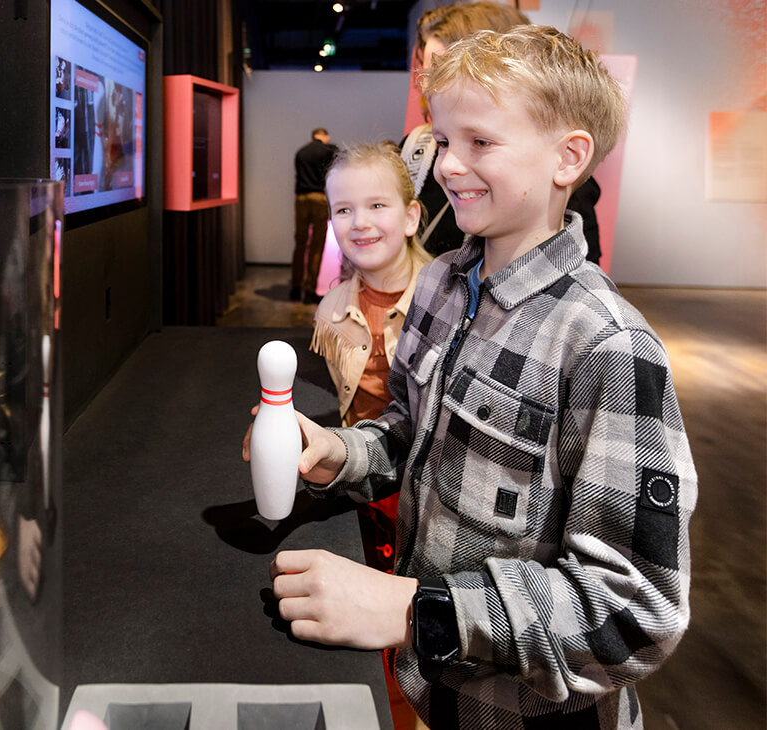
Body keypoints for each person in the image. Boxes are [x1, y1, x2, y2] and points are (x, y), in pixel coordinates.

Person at [245, 26, 696, 728]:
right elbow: (410, 435)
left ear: (567, 158)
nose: (451, 166)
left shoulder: (609, 346)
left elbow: (636, 611)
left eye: (480, 143)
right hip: (435, 693)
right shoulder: (441, 285)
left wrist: (417, 609)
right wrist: (341, 453)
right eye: (446, 141)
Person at [309, 141, 432, 730]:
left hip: (430, 493)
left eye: (377, 205)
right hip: (366, 483)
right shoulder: (331, 310)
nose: (360, 223)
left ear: (410, 217)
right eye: (343, 210)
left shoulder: (453, 304)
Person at [405, 2, 604, 263]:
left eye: (482, 142)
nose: (427, 85)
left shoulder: (556, 181)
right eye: (428, 71)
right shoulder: (414, 150)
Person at [292, 128, 338, 302]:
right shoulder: (329, 150)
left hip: (301, 199)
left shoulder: (301, 152)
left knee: (300, 243)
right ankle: (310, 289)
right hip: (319, 198)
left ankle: (296, 287)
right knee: (317, 246)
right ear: (326, 137)